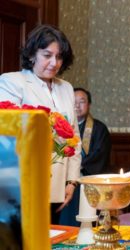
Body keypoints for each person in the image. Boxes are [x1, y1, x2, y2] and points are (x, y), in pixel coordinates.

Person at [0, 24, 81, 224]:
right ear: (32, 55)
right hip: (23, 185)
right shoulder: (11, 82)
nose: (54, 63)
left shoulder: (66, 88)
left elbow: (74, 137)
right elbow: (8, 136)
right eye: (47, 55)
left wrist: (72, 181)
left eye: (59, 56)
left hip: (59, 186)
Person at [59, 87, 111, 226]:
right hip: (63, 179)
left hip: (88, 180)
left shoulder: (99, 129)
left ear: (89, 105)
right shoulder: (61, 128)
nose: (77, 105)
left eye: (82, 101)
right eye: (73, 101)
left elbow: (100, 155)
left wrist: (76, 168)